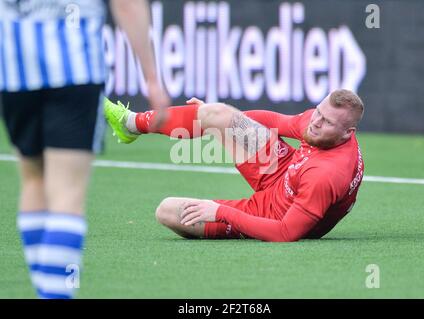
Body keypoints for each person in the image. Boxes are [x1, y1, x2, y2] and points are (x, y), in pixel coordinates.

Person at [0, 0, 170, 299]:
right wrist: (152, 77)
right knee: (67, 193)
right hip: (74, 65)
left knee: (33, 180)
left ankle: (46, 292)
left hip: (16, 66)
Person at [104, 89, 364, 242]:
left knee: (167, 211)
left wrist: (220, 212)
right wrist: (224, 122)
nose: (316, 122)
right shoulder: (317, 122)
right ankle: (131, 123)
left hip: (272, 216)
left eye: (326, 122)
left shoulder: (328, 174)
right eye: (318, 112)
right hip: (282, 170)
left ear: (347, 133)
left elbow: (286, 232)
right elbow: (273, 119)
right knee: (216, 112)